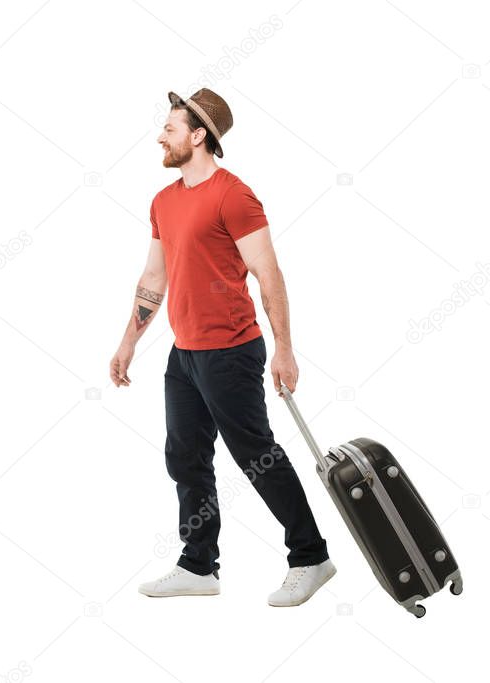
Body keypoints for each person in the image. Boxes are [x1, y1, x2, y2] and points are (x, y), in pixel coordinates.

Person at [109, 88, 335, 606]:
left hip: (231, 350)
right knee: (185, 456)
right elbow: (152, 276)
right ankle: (198, 566)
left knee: (255, 455)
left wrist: (284, 350)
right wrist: (127, 343)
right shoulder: (164, 201)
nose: (160, 136)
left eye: (170, 127)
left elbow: (268, 273)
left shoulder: (233, 195)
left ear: (198, 135)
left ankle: (311, 557)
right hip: (184, 353)